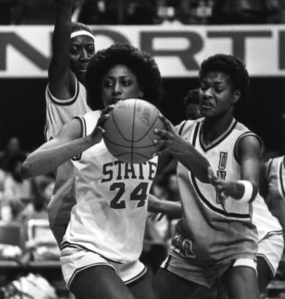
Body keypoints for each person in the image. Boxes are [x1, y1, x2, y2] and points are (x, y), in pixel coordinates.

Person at [21, 43, 162, 299]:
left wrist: (170, 206)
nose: (116, 90)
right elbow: (29, 167)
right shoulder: (84, 125)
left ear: (141, 88)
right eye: (108, 84)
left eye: (125, 82)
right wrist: (88, 141)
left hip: (129, 258)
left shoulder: (155, 128)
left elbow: (133, 188)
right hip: (87, 250)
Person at [152, 53, 263, 299]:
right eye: (203, 87)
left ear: (235, 96)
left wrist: (233, 187)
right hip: (189, 250)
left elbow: (252, 187)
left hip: (232, 248)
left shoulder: (246, 140)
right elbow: (148, 171)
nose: (207, 93)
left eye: (217, 88)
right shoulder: (182, 131)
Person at [44, 0, 95, 246]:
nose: (84, 55)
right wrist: (64, 9)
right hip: (70, 204)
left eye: (89, 49)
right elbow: (60, 53)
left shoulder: (98, 95)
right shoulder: (64, 86)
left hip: (95, 202)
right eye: (75, 49)